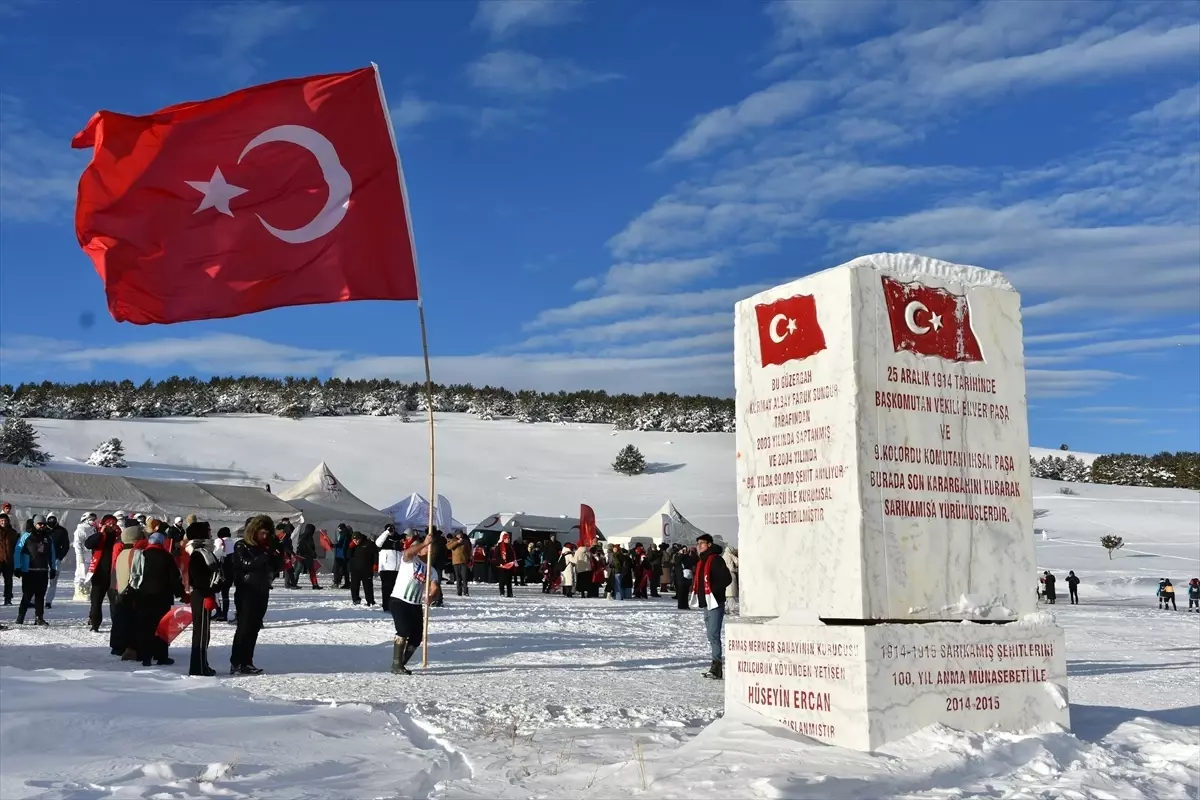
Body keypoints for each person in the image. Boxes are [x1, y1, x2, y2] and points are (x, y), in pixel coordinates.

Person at [230, 515, 279, 675]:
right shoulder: (241, 546)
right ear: (254, 531)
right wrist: (266, 555)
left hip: (262, 590)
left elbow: (275, 568)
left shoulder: (265, 548)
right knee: (244, 627)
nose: (264, 536)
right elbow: (247, 564)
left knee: (254, 628)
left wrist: (277, 554)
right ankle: (236, 662)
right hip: (246, 591)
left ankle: (247, 661)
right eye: (262, 533)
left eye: (267, 533)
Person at [136, 532, 184, 666]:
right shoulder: (166, 557)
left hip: (144, 595)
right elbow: (174, 578)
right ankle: (161, 655)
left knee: (146, 626)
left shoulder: (142, 555)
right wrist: (180, 593)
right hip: (163, 596)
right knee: (162, 626)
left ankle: (145, 655)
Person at [388, 534, 432, 675]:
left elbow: (435, 587)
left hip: (416, 604)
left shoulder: (431, 568)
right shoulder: (410, 560)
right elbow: (408, 552)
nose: (429, 548)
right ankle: (397, 664)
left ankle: (401, 662)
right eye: (426, 547)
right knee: (403, 630)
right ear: (419, 550)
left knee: (417, 637)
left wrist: (432, 596)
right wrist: (424, 543)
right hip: (399, 600)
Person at [692, 533, 732, 680]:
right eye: (698, 544)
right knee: (710, 635)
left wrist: (713, 591)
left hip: (715, 602)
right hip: (706, 603)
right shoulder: (702, 561)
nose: (699, 546)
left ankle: (717, 666)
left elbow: (727, 579)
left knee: (713, 634)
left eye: (702, 543)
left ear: (709, 544)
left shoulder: (715, 559)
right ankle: (715, 665)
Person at [184, 521, 221, 676]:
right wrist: (208, 593)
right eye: (208, 531)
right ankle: (198, 667)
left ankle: (202, 664)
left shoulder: (203, 551)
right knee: (201, 632)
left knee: (204, 632)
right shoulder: (199, 553)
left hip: (203, 593)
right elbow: (198, 578)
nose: (210, 533)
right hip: (201, 594)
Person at [13, 514, 59, 625]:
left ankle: (39, 617)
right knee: (27, 595)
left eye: (43, 524)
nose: (42, 526)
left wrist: (53, 568)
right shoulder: (26, 536)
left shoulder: (48, 539)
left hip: (42, 570)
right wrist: (17, 567)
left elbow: (52, 554)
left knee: (40, 595)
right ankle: (20, 617)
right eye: (39, 524)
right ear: (35, 524)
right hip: (29, 570)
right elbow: (18, 551)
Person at [110, 523, 146, 659]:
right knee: (131, 621)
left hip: (121, 591)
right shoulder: (137, 553)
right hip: (132, 593)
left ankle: (118, 646)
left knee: (121, 619)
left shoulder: (122, 553)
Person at [83, 515, 121, 632]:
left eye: (114, 523)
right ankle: (95, 624)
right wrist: (101, 533)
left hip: (114, 573)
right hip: (99, 572)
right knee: (96, 601)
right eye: (109, 523)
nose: (112, 526)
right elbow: (88, 544)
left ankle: (117, 625)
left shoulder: (118, 536)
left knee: (115, 602)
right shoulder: (99, 536)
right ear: (103, 524)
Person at [43, 514, 70, 609]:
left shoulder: (61, 531)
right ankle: (35, 599)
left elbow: (66, 545)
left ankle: (48, 601)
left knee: (53, 581)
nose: (51, 521)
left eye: (53, 519)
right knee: (40, 580)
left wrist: (60, 556)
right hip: (42, 559)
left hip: (55, 559)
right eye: (50, 519)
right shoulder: (43, 530)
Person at [347, 530, 378, 606]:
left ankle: (370, 601)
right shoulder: (352, 545)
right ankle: (356, 600)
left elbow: (375, 554)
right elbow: (348, 556)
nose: (356, 541)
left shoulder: (369, 543)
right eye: (354, 540)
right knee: (354, 586)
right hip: (355, 569)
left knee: (368, 586)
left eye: (357, 539)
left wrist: (375, 564)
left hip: (366, 569)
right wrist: (350, 548)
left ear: (361, 538)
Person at [376, 525, 403, 612]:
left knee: (396, 589)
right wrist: (386, 532)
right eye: (390, 530)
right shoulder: (383, 539)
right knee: (386, 588)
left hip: (397, 568)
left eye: (393, 530)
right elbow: (377, 543)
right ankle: (386, 606)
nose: (392, 531)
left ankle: (394, 605)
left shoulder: (398, 538)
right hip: (386, 568)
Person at [214, 527, 235, 622]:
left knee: (215, 592)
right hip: (230, 571)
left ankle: (219, 612)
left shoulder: (219, 541)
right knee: (225, 594)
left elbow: (215, 554)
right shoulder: (232, 542)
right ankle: (225, 614)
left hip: (220, 571)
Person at [297, 523, 323, 590]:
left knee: (299, 570)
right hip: (306, 556)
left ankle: (315, 584)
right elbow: (307, 547)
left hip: (305, 556)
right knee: (309, 571)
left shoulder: (304, 536)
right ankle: (314, 584)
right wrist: (312, 553)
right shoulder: (305, 537)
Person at [0, 512, 18, 606]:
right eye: (2, 520)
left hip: (9, 560)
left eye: (5, 520)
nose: (3, 522)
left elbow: (16, 546)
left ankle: (8, 598)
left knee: (8, 581)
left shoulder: (13, 532)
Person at [491, 533, 518, 598]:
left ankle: (510, 593)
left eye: (509, 538)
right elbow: (496, 556)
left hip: (509, 566)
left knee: (509, 581)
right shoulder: (499, 546)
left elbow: (512, 555)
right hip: (502, 566)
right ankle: (502, 592)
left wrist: (512, 562)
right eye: (507, 538)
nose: (508, 539)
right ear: (504, 539)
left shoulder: (510, 546)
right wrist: (501, 562)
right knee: (502, 580)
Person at [448, 532, 471, 597]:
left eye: (461, 534)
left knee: (464, 577)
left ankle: (466, 591)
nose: (460, 536)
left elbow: (469, 550)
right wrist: (457, 542)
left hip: (464, 561)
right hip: (456, 561)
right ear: (456, 535)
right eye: (459, 534)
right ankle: (459, 591)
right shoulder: (453, 541)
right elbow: (449, 547)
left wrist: (469, 558)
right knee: (458, 578)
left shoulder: (465, 542)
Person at [333, 524, 352, 589]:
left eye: (339, 528)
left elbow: (340, 544)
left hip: (341, 554)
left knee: (336, 569)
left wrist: (332, 545)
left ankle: (336, 582)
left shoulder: (343, 534)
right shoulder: (348, 534)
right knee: (344, 569)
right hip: (345, 554)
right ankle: (347, 583)